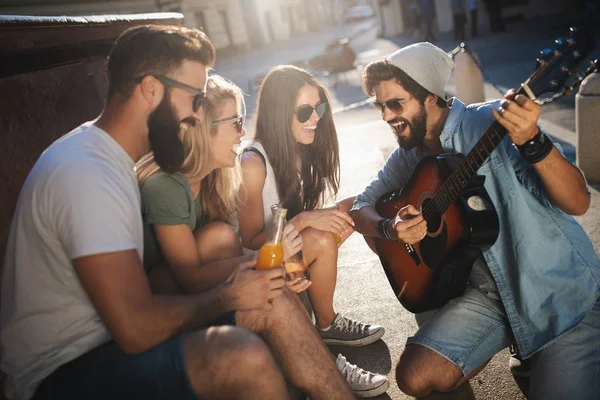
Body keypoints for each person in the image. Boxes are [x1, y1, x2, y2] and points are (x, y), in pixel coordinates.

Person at [0, 25, 355, 400]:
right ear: (152, 90)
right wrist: (229, 296)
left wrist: (248, 278)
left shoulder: (113, 159)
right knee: (240, 354)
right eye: (195, 98)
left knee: (269, 298)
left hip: (111, 344)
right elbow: (136, 328)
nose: (198, 114)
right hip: (63, 371)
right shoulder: (87, 171)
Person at [351, 42, 600, 399]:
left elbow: (579, 201)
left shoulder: (493, 124)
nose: (387, 115)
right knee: (414, 376)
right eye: (380, 105)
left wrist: (532, 140)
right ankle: (521, 347)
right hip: (489, 297)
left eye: (396, 103)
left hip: (561, 296)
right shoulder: (412, 151)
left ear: (431, 96)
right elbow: (361, 206)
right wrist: (390, 228)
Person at [237, 64, 389, 398]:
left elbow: (314, 217)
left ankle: (326, 324)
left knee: (356, 205)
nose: (315, 117)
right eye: (305, 110)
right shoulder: (252, 163)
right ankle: (324, 350)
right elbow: (247, 246)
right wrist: (305, 221)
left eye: (319, 107)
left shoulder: (300, 151)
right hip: (263, 266)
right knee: (320, 234)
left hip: (290, 255)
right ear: (279, 113)